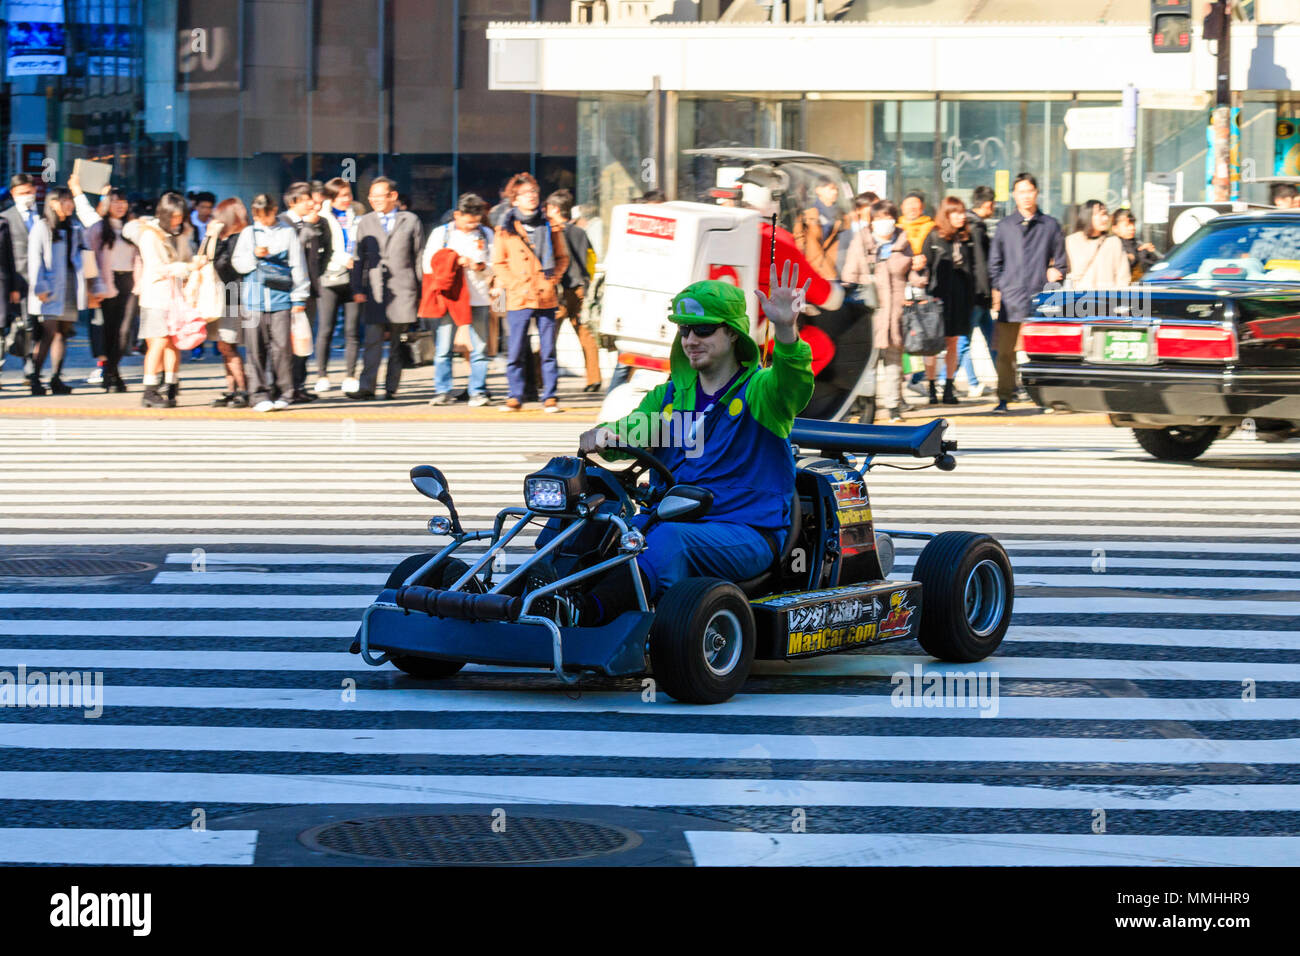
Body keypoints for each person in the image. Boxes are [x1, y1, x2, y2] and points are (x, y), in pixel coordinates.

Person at [571, 266, 814, 623]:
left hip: (746, 531)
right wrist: (604, 436)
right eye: (684, 330)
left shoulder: (761, 392)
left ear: (732, 335)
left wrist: (785, 330)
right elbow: (633, 430)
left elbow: (794, 384)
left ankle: (584, 615)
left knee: (670, 540)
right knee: (588, 523)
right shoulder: (669, 397)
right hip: (665, 518)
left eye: (703, 330)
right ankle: (512, 603)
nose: (690, 340)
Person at [987, 172, 1066, 414]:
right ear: (1014, 195)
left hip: (1041, 298)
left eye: (1029, 191)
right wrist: (1003, 285)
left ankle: (1045, 399)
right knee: (1005, 353)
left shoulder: (1050, 225)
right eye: (1021, 191)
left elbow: (1062, 262)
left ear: (1037, 193)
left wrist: (1054, 272)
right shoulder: (1004, 226)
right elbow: (994, 264)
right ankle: (1004, 397)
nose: (1026, 196)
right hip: (1011, 299)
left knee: (1041, 353)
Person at [492, 172, 569, 413]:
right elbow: (498, 262)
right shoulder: (505, 228)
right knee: (515, 349)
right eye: (526, 194)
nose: (532, 197)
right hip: (518, 295)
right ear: (514, 199)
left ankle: (550, 396)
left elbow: (562, 257)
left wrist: (554, 276)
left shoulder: (550, 225)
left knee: (548, 349)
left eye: (534, 193)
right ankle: (515, 395)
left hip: (545, 293)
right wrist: (513, 283)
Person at [120, 190, 200, 408]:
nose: (179, 220)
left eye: (181, 215)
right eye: (174, 216)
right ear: (164, 215)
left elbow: (186, 258)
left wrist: (192, 264)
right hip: (156, 296)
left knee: (174, 342)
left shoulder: (180, 234)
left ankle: (171, 384)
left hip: (176, 297)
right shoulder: (150, 235)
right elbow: (157, 268)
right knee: (158, 342)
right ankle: (149, 390)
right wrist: (187, 267)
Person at [232, 193, 310, 412]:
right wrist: (255, 256)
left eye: (264, 215)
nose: (261, 220)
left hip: (281, 299)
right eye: (257, 216)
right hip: (253, 300)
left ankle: (284, 392)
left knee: (282, 349)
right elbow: (238, 264)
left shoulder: (287, 233)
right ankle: (258, 394)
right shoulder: (248, 233)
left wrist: (299, 296)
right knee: (255, 349)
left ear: (273, 210)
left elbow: (297, 264)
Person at [351, 176, 423, 400]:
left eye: (379, 196)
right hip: (374, 290)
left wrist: (422, 292)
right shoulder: (365, 222)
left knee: (397, 343)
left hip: (404, 289)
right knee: (372, 340)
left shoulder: (410, 220)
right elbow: (358, 257)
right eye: (371, 196)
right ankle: (367, 386)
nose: (374, 200)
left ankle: (391, 387)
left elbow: (419, 256)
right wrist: (357, 288)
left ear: (393, 196)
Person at [422, 192, 494, 407]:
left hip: (478, 296)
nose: (472, 225)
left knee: (480, 348)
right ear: (457, 215)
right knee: (443, 348)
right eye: (468, 221)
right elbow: (428, 264)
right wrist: (454, 263)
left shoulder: (487, 234)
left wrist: (480, 267)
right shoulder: (441, 233)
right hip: (450, 297)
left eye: (476, 221)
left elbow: (495, 264)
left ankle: (478, 391)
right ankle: (442, 390)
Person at [842, 200, 913, 422]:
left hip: (896, 311)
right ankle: (865, 404)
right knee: (867, 363)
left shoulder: (903, 241)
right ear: (872, 221)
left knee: (893, 362)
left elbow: (915, 276)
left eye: (889, 217)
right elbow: (848, 276)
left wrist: (919, 268)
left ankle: (893, 406)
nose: (885, 223)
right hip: (870, 313)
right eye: (880, 218)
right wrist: (869, 280)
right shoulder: (860, 242)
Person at [25, 182, 98, 396]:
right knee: (47, 334)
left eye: (70, 200)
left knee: (62, 334)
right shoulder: (42, 226)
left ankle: (56, 378)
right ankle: (36, 378)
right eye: (66, 200)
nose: (70, 205)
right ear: (54, 203)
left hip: (69, 285)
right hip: (48, 286)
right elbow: (34, 259)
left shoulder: (73, 227)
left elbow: (85, 254)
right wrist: (40, 286)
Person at [921, 197, 978, 406]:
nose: (961, 216)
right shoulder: (934, 236)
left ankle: (948, 386)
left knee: (953, 342)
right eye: (956, 212)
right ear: (946, 214)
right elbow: (924, 265)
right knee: (933, 345)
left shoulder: (965, 238)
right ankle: (931, 387)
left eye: (962, 212)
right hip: (937, 298)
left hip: (960, 297)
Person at [546, 188, 602, 392]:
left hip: (559, 290)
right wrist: (589, 281)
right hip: (580, 289)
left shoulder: (551, 231)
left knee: (548, 335)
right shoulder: (580, 232)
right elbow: (591, 259)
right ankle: (593, 378)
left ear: (553, 209)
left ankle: (539, 379)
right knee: (585, 334)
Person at [85, 187, 141, 392]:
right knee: (109, 330)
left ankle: (111, 370)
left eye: (123, 201)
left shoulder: (133, 228)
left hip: (131, 281)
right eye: (116, 201)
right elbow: (88, 257)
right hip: (107, 282)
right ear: (107, 205)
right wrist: (91, 288)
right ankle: (111, 374)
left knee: (125, 331)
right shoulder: (98, 228)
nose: (120, 205)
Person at [280, 181, 330, 403]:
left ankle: (299, 385)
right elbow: (286, 255)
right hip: (287, 293)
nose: (312, 203)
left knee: (303, 340)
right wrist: (307, 230)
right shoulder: (282, 223)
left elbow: (325, 252)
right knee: (286, 343)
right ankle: (286, 387)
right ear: (293, 202)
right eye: (306, 199)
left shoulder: (316, 223)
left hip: (309, 290)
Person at [315, 177, 364, 394]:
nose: (347, 199)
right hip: (329, 277)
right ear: (331, 197)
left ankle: (351, 375)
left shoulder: (357, 217)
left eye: (349, 195)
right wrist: (343, 259)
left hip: (353, 277)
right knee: (325, 328)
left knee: (352, 329)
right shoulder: (322, 218)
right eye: (342, 195)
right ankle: (322, 374)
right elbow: (322, 250)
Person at [208, 198, 251, 407]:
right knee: (224, 345)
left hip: (233, 298)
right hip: (223, 298)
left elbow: (223, 264)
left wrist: (213, 237)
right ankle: (232, 389)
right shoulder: (229, 238)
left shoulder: (239, 238)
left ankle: (243, 389)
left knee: (228, 345)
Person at [3, 175, 39, 387]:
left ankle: (31, 368)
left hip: (41, 281)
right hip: (16, 280)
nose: (27, 196)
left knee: (33, 326)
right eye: (22, 193)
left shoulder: (43, 215)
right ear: (13, 194)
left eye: (29, 191)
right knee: (12, 326)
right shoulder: (5, 217)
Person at [1065, 200, 1130, 291]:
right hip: (1079, 300)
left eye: (1106, 214)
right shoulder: (1072, 241)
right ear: (1088, 215)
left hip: (1108, 300)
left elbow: (1123, 277)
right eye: (1101, 214)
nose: (1105, 218)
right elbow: (1068, 274)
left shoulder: (1113, 242)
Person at [793, 175, 846, 280]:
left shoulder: (842, 216)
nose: (835, 192)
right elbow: (799, 243)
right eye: (831, 189)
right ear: (818, 190)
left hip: (834, 271)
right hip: (811, 271)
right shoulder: (806, 215)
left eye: (836, 189)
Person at [1111, 209, 1160, 281]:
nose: (1132, 228)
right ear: (1115, 228)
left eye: (1133, 224)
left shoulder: (1139, 244)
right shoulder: (1112, 246)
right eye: (1127, 225)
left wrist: (1152, 254)